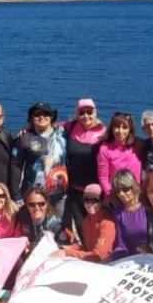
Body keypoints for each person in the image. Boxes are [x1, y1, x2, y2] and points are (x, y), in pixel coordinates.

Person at [11, 102, 68, 217]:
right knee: (33, 229)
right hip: (33, 195)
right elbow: (15, 167)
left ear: (51, 116)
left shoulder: (63, 134)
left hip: (60, 195)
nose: (42, 117)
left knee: (60, 229)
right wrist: (16, 196)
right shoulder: (24, 138)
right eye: (37, 114)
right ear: (31, 118)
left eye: (46, 114)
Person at [62, 99, 107, 241]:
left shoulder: (104, 132)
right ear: (77, 114)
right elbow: (48, 126)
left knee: (98, 231)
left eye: (89, 112)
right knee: (82, 230)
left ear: (95, 112)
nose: (86, 116)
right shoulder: (71, 126)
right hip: (74, 190)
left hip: (95, 192)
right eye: (82, 112)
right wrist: (27, 128)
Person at [59, 184, 116, 263]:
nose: (90, 204)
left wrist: (67, 253)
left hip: (109, 265)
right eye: (87, 200)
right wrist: (68, 248)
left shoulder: (107, 223)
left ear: (102, 201)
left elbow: (99, 256)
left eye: (95, 200)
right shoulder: (86, 222)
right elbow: (87, 249)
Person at [97, 112, 143, 200]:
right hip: (116, 196)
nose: (120, 131)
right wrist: (111, 197)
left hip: (136, 197)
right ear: (112, 128)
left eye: (125, 127)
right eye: (117, 127)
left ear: (130, 129)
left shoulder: (138, 145)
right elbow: (103, 178)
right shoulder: (105, 149)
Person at [110, 170, 152, 260]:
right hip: (132, 259)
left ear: (134, 187)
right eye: (118, 190)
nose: (121, 193)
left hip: (152, 256)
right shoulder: (118, 213)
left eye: (125, 189)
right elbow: (122, 243)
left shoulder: (147, 206)